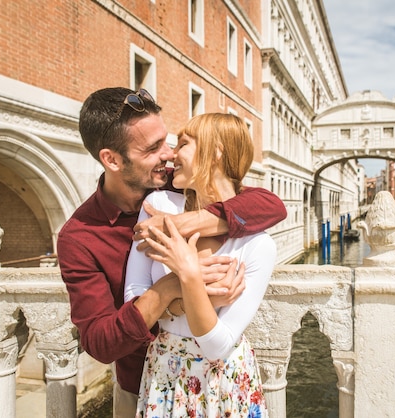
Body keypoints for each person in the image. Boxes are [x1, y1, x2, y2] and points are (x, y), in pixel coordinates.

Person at [56, 87, 286, 418]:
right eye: (153, 148)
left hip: (217, 383)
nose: (168, 154)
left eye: (169, 141)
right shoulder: (79, 237)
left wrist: (182, 223)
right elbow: (100, 343)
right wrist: (175, 290)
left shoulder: (173, 187)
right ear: (112, 159)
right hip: (143, 389)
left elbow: (269, 205)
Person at [125, 113, 275, 417]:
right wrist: (190, 297)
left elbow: (216, 346)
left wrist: (189, 277)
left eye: (183, 144)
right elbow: (133, 297)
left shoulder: (259, 245)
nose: (171, 153)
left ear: (216, 151)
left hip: (223, 384)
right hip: (164, 372)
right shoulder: (159, 207)